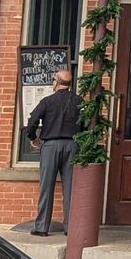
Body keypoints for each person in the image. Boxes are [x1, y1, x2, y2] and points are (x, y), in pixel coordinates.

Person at [25, 67, 79, 236]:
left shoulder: (48, 101)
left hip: (50, 145)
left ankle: (42, 227)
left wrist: (33, 137)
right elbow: (87, 122)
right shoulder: (79, 101)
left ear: (56, 83)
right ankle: (70, 227)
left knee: (46, 186)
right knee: (70, 188)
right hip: (72, 144)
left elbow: (32, 120)